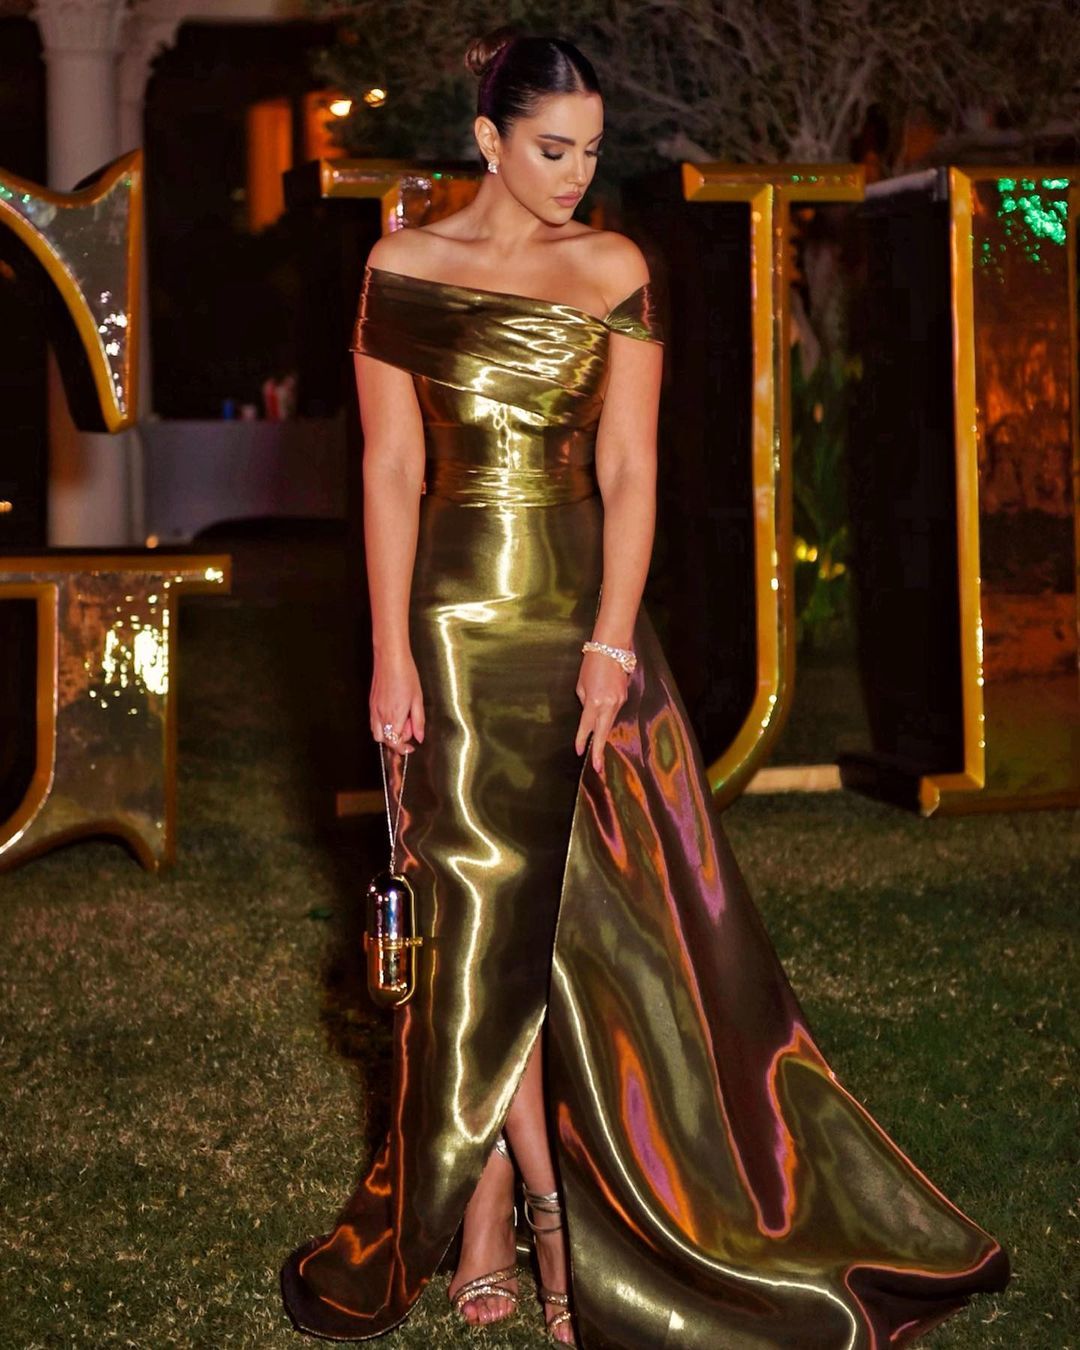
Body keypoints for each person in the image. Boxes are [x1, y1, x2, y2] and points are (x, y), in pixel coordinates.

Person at [280, 28, 1011, 1348]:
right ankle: (528, 1220)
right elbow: (389, 471)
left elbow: (630, 469)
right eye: (551, 148)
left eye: (593, 151)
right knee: (475, 928)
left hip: (581, 617)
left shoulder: (614, 267)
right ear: (489, 139)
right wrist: (390, 651)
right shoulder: (401, 268)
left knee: (589, 935)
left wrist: (612, 643)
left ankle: (554, 1217)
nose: (577, 174)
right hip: (450, 628)